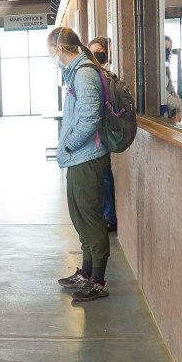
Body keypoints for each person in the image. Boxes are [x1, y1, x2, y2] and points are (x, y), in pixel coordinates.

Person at [50, 28, 111, 302]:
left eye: (51, 51)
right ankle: (86, 273)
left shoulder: (84, 73)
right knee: (81, 217)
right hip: (79, 158)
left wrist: (70, 144)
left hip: (86, 157)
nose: (51, 56)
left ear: (60, 49)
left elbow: (89, 118)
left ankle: (97, 280)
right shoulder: (78, 71)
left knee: (91, 218)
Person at [88, 37, 117, 233]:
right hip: (93, 137)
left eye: (99, 50)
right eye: (92, 51)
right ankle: (102, 215)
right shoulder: (90, 74)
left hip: (104, 134)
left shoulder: (109, 76)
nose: (96, 54)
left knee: (105, 179)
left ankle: (109, 218)